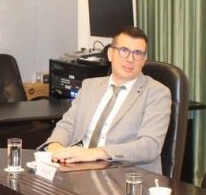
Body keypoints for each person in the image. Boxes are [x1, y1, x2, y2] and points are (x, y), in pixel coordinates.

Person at [43, 25, 171, 173]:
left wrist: (95, 153)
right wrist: (55, 146)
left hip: (126, 176)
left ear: (143, 60)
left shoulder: (157, 93)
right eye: (124, 50)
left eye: (137, 53)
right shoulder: (90, 86)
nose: (130, 59)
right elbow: (67, 125)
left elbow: (150, 146)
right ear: (110, 54)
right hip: (78, 170)